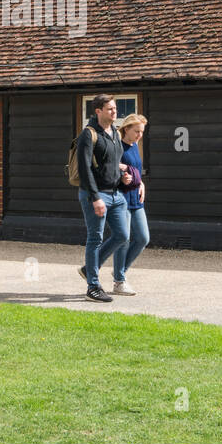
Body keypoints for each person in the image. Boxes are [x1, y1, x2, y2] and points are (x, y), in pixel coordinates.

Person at [76, 94, 128, 303]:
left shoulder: (114, 132)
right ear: (98, 111)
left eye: (115, 108)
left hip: (116, 194)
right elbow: (84, 168)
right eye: (110, 109)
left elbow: (111, 162)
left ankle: (89, 268)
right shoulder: (88, 135)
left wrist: (122, 175)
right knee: (95, 238)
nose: (114, 112)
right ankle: (93, 286)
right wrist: (95, 197)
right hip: (96, 195)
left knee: (122, 235)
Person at [110, 113, 149, 295]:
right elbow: (109, 165)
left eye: (141, 131)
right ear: (126, 129)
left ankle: (120, 271)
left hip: (136, 199)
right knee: (123, 240)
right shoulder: (117, 146)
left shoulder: (135, 146)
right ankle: (119, 282)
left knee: (142, 238)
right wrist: (122, 174)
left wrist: (140, 183)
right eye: (137, 131)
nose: (140, 135)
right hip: (121, 198)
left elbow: (136, 170)